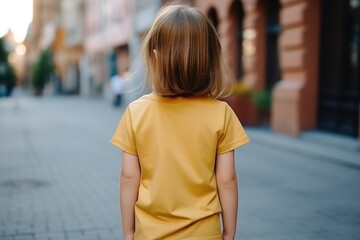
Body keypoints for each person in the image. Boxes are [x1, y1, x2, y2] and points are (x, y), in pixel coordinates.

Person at [111, 4, 250, 240]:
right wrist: (229, 232)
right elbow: (227, 179)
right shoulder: (221, 113)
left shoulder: (136, 112)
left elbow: (128, 177)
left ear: (154, 57)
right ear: (209, 58)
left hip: (150, 233)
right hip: (205, 233)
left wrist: (128, 232)